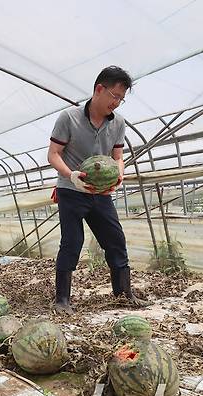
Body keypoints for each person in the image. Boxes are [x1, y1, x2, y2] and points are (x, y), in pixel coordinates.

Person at [47, 66, 151, 314]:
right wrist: (71, 175)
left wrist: (119, 175)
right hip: (71, 190)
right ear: (98, 89)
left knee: (115, 239)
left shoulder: (119, 124)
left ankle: (124, 294)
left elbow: (117, 157)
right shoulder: (68, 118)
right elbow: (53, 154)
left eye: (121, 99)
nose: (116, 103)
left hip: (101, 193)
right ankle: (62, 300)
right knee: (72, 241)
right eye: (114, 96)